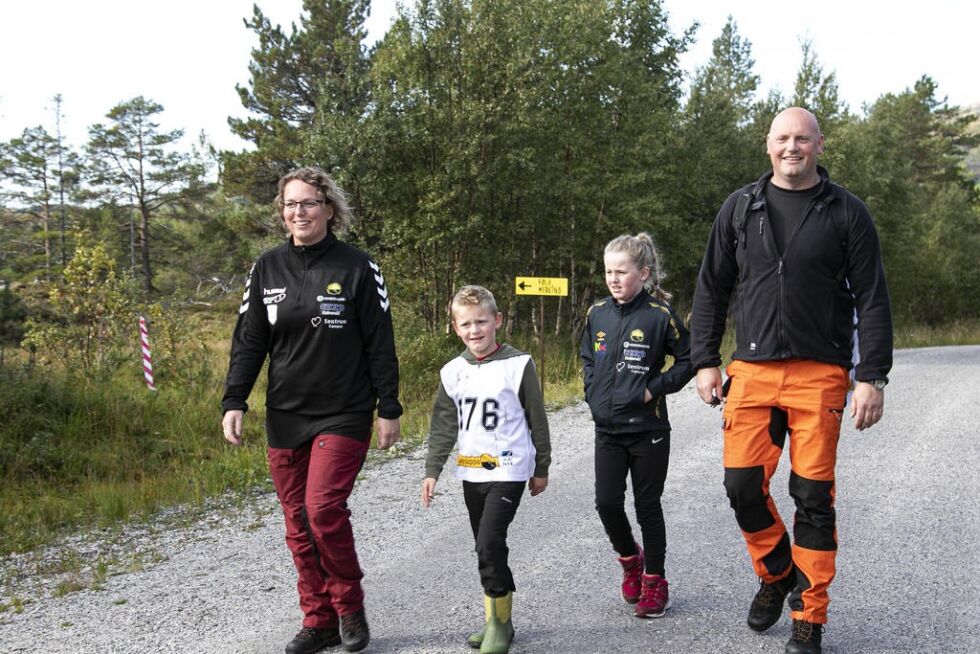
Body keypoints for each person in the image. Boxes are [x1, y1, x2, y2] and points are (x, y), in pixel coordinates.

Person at [690, 107, 893, 654]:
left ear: (820, 145)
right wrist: (704, 359)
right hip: (751, 371)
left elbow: (873, 296)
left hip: (819, 373)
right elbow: (711, 287)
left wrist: (871, 375)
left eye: (802, 139)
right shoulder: (740, 208)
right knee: (740, 487)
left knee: (812, 497)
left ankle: (810, 615)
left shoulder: (847, 212)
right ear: (768, 145)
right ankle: (778, 572)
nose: (792, 148)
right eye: (783, 138)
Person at [221, 166, 402, 654]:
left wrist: (389, 406)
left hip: (344, 411)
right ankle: (318, 620)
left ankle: (349, 608)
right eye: (289, 204)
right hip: (286, 414)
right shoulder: (266, 268)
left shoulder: (358, 267)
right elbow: (250, 341)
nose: (298, 212)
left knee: (322, 510)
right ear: (282, 213)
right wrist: (234, 399)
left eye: (307, 203)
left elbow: (379, 342)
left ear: (328, 208)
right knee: (297, 523)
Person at [422, 285, 551, 654]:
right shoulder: (452, 371)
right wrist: (433, 470)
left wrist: (541, 465)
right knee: (486, 549)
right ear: (455, 327)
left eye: (481, 321)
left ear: (497, 321)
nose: (474, 330)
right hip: (471, 472)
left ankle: (498, 624)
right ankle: (499, 619)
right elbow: (445, 425)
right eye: (466, 324)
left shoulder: (518, 364)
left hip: (509, 470)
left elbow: (536, 418)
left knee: (489, 542)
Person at [579, 233, 693, 619]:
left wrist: (651, 391)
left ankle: (655, 581)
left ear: (643, 273)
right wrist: (591, 392)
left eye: (622, 271)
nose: (613, 278)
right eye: (609, 271)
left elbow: (687, 361)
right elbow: (588, 356)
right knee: (606, 502)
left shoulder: (660, 316)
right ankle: (631, 560)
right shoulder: (597, 312)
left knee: (647, 506)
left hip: (648, 430)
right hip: (607, 429)